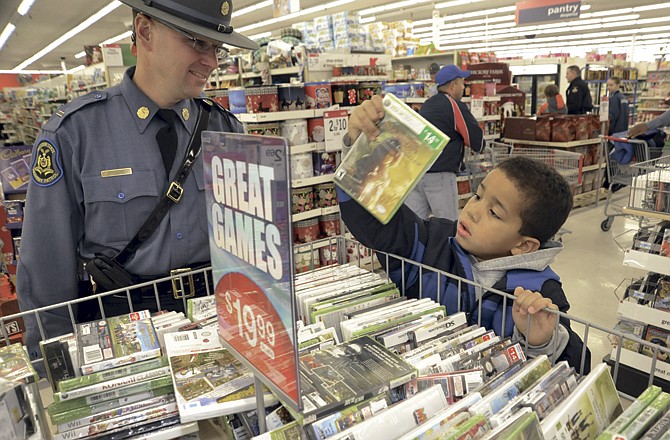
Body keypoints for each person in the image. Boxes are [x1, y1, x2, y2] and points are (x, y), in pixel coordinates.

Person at [17, 0, 258, 364]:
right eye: (196, 42)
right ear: (146, 32)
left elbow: (251, 245)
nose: (211, 60)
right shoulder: (75, 134)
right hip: (125, 333)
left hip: (217, 322)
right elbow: (47, 268)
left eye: (216, 47)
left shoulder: (225, 129)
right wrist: (54, 365)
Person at [339, 96, 591, 372]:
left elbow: (578, 367)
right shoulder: (431, 242)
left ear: (524, 245)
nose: (472, 211)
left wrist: (541, 343)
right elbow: (374, 221)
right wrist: (360, 149)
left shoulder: (540, 294)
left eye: (495, 213)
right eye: (477, 195)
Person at [404, 65, 485, 221]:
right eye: (462, 83)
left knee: (416, 226)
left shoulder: (428, 104)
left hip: (416, 174)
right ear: (453, 85)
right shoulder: (454, 106)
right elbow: (476, 142)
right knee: (447, 225)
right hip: (440, 176)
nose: (464, 87)